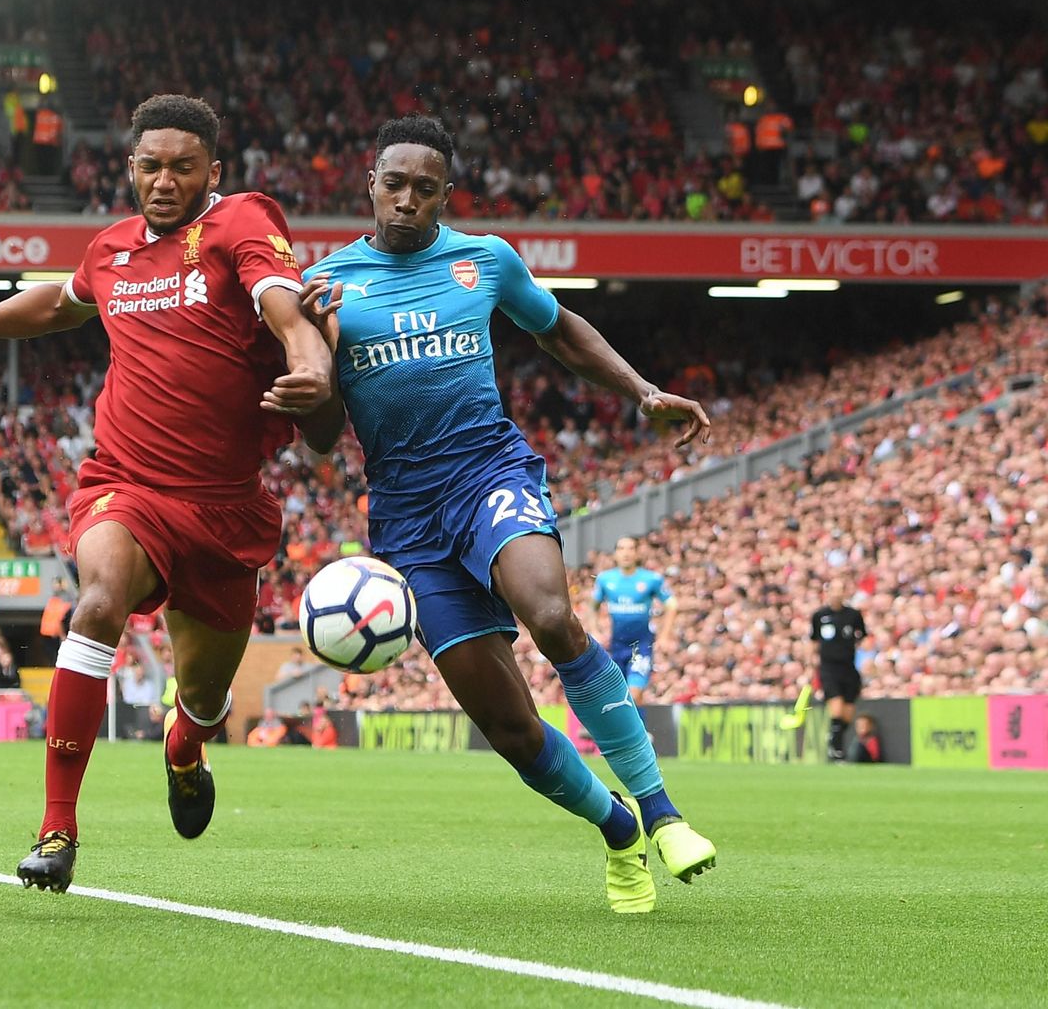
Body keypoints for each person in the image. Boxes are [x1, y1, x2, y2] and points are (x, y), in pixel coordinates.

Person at [0, 94, 333, 893]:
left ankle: (185, 746)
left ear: (213, 172)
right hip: (123, 482)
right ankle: (57, 829)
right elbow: (57, 305)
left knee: (202, 695)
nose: (165, 180)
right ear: (130, 168)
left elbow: (281, 300)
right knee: (98, 601)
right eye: (151, 165)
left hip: (223, 506)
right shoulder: (112, 250)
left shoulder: (239, 224)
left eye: (183, 166)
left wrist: (310, 357)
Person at [298, 115, 716, 914]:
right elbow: (321, 440)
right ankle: (619, 830)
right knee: (514, 732)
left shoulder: (484, 259)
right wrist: (312, 369)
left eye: (426, 188)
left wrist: (643, 392)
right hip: (407, 519)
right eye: (396, 183)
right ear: (371, 183)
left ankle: (662, 812)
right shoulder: (327, 287)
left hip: (489, 472)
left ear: (445, 195)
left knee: (553, 617)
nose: (408, 199)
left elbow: (559, 330)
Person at [592, 537, 677, 707]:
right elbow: (592, 605)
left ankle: (638, 733)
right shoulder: (605, 579)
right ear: (615, 554)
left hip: (641, 646)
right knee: (616, 696)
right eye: (622, 548)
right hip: (615, 646)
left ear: (637, 553)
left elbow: (672, 604)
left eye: (631, 548)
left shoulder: (651, 579)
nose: (626, 553)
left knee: (634, 694)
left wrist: (665, 635)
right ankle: (638, 731)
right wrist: (595, 630)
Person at [809, 578, 868, 762]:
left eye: (841, 589)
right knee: (836, 708)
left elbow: (862, 637)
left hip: (848, 668)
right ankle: (837, 751)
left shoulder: (853, 615)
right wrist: (811, 665)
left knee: (848, 714)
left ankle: (834, 739)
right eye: (834, 589)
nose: (837, 593)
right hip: (829, 668)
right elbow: (813, 641)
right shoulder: (820, 616)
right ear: (827, 592)